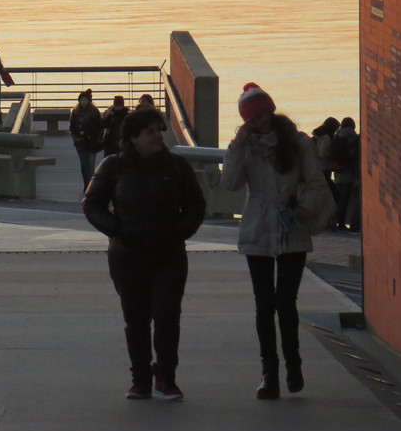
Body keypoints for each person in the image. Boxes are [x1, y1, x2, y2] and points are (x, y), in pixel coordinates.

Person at [82, 107, 206, 400]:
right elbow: (91, 204)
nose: (157, 136)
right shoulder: (113, 166)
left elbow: (197, 205)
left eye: (159, 130)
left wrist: (179, 232)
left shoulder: (176, 166)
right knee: (136, 320)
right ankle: (140, 380)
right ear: (133, 137)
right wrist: (116, 229)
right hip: (127, 256)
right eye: (150, 131)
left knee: (166, 316)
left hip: (169, 256)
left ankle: (166, 376)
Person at [222, 82, 329, 400]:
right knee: (263, 306)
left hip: (291, 229)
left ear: (270, 111)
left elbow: (316, 184)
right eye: (251, 119)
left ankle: (293, 365)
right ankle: (269, 373)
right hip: (257, 231)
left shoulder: (298, 143)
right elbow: (229, 182)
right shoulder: (246, 147)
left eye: (261, 116)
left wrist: (302, 208)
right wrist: (238, 146)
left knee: (286, 303)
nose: (258, 123)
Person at [68, 88, 104, 190]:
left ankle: (90, 186)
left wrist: (99, 139)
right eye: (81, 99)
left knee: (91, 165)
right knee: (84, 165)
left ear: (89, 101)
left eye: (85, 99)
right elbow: (72, 127)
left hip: (92, 143)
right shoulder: (75, 112)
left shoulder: (95, 112)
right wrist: (75, 138)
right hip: (80, 143)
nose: (83, 101)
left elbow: (100, 127)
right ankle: (86, 185)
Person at [330, 117, 361, 231]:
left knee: (339, 199)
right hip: (348, 172)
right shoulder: (352, 136)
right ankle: (341, 223)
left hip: (337, 173)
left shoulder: (338, 136)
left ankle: (337, 222)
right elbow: (353, 155)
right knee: (345, 199)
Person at [311, 117, 341, 207]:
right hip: (324, 167)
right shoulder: (326, 138)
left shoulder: (318, 135)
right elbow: (321, 154)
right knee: (331, 192)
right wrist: (332, 154)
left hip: (317, 167)